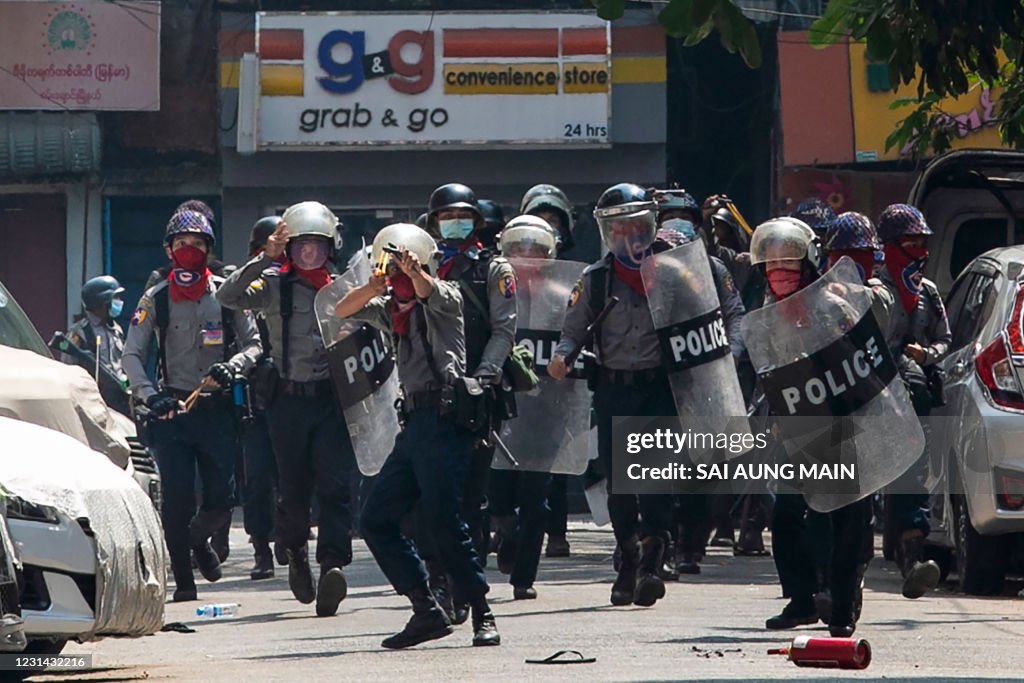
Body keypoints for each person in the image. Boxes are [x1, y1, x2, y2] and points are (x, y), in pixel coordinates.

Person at [335, 223, 500, 649]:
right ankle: (425, 608)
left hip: (446, 421)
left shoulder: (446, 297)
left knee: (445, 521)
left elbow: (430, 292)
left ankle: (482, 612)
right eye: (393, 267)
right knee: (375, 518)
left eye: (404, 266)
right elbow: (342, 309)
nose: (399, 277)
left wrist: (418, 273)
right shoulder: (390, 306)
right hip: (413, 424)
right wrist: (375, 285)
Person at [751, 216, 892, 638]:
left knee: (848, 518)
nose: (780, 275)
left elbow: (866, 360)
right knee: (788, 515)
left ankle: (843, 607)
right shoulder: (766, 314)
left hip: (845, 426)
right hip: (798, 429)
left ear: (809, 262)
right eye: (772, 266)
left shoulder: (835, 305)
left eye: (789, 265)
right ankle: (800, 599)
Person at [216, 202, 356, 617]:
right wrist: (266, 258)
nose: (308, 255)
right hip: (286, 402)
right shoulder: (274, 284)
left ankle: (332, 564)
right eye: (300, 247)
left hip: (332, 401)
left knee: (335, 486)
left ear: (331, 247)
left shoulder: (345, 288)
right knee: (293, 488)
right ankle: (295, 551)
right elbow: (229, 296)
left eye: (316, 246)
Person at [122, 210, 262, 602]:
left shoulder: (227, 293)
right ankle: (184, 581)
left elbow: (254, 344)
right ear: (169, 250)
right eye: (181, 244)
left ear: (208, 250)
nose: (188, 251)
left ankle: (199, 541)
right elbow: (132, 355)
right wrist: (151, 396)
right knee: (178, 497)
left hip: (216, 409)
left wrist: (232, 367)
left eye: (196, 244)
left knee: (221, 499)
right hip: (173, 411)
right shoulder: (155, 298)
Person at [548, 183, 675, 608]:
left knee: (656, 481)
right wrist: (561, 358)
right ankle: (628, 557)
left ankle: (654, 562)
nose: (629, 237)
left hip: (660, 388)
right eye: (619, 229)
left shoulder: (673, 272)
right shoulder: (595, 280)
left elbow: (705, 319)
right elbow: (571, 334)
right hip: (614, 389)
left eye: (637, 227)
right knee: (621, 484)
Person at [421, 183, 517, 621]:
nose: (454, 224)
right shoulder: (423, 268)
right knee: (430, 500)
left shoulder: (495, 270)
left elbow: (504, 330)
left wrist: (482, 378)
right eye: (445, 217)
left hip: (477, 400)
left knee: (471, 502)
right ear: (433, 224)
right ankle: (438, 583)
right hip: (428, 396)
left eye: (462, 215)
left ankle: (468, 586)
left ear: (476, 222)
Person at [654, 189, 750, 573]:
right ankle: (658, 543)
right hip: (659, 381)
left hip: (704, 382)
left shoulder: (715, 269)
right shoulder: (644, 268)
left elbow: (736, 314)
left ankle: (691, 546)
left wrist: (730, 356)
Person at [875, 203, 951, 600]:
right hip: (870, 397)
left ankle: (913, 558)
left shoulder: (928, 291)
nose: (918, 249)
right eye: (910, 242)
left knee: (911, 473)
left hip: (914, 393)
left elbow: (945, 338)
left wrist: (928, 354)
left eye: (923, 242)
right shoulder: (869, 288)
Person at [489, 215, 560, 599]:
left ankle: (524, 578)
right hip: (501, 409)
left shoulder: (565, 295)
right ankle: (505, 531)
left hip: (546, 411)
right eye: (519, 251)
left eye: (535, 251)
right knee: (498, 492)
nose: (527, 258)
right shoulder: (492, 290)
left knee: (537, 500)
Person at [520, 183, 575, 557]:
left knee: (556, 461)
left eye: (553, 220)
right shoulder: (510, 269)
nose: (546, 226)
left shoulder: (573, 273)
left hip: (558, 376)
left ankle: (555, 532)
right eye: (539, 220)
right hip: (520, 379)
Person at [238, 216, 283, 580]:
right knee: (258, 479)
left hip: (292, 388)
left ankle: (288, 535)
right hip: (254, 394)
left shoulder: (292, 278)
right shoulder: (249, 282)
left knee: (294, 473)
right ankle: (261, 548)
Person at [59, 275, 129, 415]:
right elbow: (68, 371)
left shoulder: (116, 329)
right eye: (115, 298)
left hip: (119, 401)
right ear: (102, 302)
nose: (119, 302)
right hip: (93, 404)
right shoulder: (79, 333)